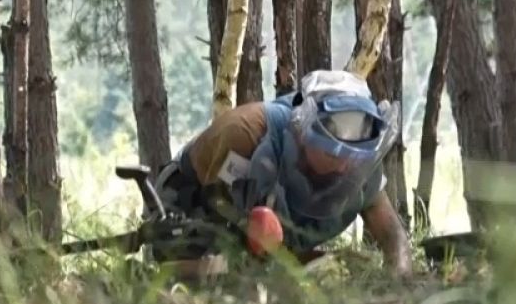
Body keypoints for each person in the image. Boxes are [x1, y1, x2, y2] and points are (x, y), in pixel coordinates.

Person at [154, 69, 410, 272]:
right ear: (303, 134)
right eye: (332, 153)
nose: (343, 166)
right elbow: (226, 231)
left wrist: (400, 274)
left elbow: (392, 234)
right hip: (194, 201)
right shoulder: (245, 134)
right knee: (216, 272)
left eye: (353, 157)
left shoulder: (355, 165)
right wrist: (319, 262)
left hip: (270, 241)